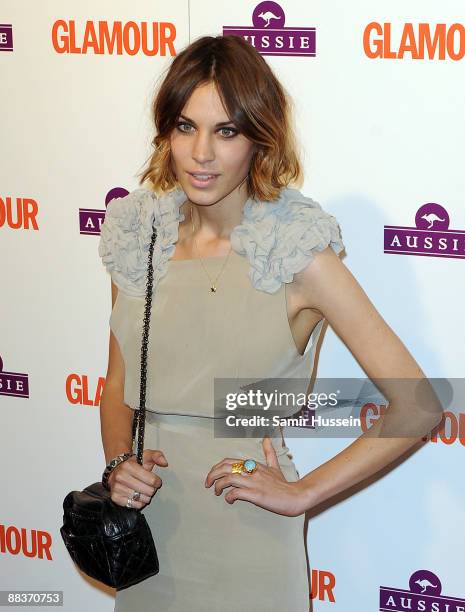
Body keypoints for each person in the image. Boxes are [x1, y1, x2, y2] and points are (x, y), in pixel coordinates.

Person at [98, 35, 441, 612]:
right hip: (149, 528)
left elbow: (420, 404)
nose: (201, 152)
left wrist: (303, 491)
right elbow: (114, 388)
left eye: (226, 131)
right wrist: (117, 464)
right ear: (166, 132)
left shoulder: (297, 252)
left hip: (249, 533)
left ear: (259, 137)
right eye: (186, 127)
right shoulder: (139, 236)